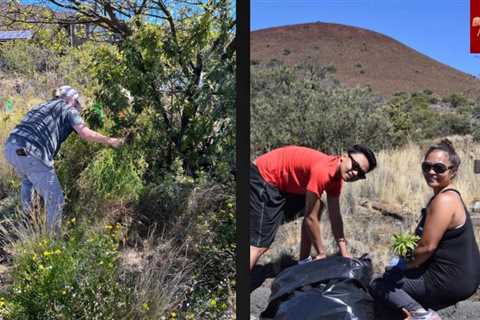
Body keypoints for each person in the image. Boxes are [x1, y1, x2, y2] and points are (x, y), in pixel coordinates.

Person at [370, 139, 480, 320]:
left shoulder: (445, 201)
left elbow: (427, 247)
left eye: (439, 168)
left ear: (453, 171)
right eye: (426, 166)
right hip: (455, 277)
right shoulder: (444, 197)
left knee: (378, 283)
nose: (431, 172)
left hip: (449, 281)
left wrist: (405, 266)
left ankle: (421, 315)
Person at [4, 86, 124, 233]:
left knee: (28, 181)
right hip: (32, 151)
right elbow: (85, 133)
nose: (79, 105)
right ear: (72, 99)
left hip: (11, 147)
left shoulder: (41, 106)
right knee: (56, 198)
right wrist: (110, 141)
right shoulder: (68, 109)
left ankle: (27, 222)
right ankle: (52, 240)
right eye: (77, 102)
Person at [250, 144, 377, 270]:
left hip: (280, 185)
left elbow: (335, 216)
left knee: (318, 206)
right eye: (355, 166)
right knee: (259, 244)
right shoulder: (323, 170)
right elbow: (311, 218)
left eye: (360, 173)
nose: (354, 173)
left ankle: (303, 262)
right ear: (344, 156)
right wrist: (321, 253)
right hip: (262, 175)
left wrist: (344, 252)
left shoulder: (336, 179)